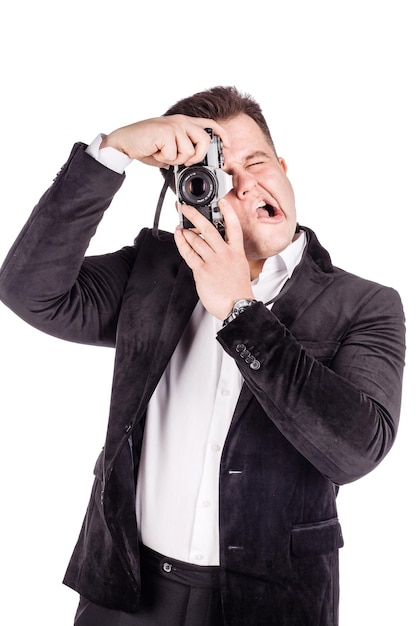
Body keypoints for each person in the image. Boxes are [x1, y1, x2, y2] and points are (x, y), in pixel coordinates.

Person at [0, 86, 406, 626]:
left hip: (269, 604)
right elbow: (29, 289)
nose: (245, 184)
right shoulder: (154, 271)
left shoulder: (364, 304)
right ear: (189, 198)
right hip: (127, 591)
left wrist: (240, 310)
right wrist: (112, 152)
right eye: (218, 178)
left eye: (255, 162)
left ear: (283, 168)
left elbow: (357, 450)